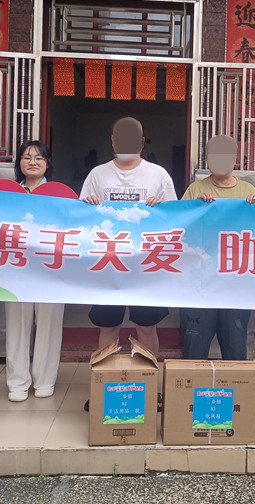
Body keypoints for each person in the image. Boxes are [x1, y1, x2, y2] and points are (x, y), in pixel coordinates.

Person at [80, 117, 177, 410]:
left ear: (142, 142)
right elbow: (80, 218)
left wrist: (162, 209)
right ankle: (103, 387)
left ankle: (150, 388)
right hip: (109, 262)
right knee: (108, 327)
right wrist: (88, 205)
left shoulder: (158, 175)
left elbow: (175, 217)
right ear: (112, 141)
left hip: (145, 265)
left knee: (146, 328)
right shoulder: (97, 174)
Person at [180, 135, 255, 360]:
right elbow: (180, 228)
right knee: (194, 346)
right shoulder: (196, 189)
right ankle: (190, 384)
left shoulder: (248, 191)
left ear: (235, 160)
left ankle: (234, 383)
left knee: (235, 346)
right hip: (200, 281)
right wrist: (196, 206)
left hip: (235, 282)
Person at [3, 140, 67, 402]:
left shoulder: (62, 195)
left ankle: (44, 380)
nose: (32, 162)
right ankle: (17, 382)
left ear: (47, 163)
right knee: (16, 325)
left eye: (39, 158)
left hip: (51, 270)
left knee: (49, 326)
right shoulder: (6, 194)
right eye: (26, 157)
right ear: (19, 162)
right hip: (15, 269)